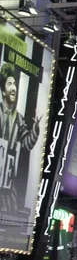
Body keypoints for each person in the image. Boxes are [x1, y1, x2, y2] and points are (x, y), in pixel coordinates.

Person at [0, 62, 41, 213]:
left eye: (15, 84)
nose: (14, 88)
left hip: (8, 182)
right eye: (9, 83)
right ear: (3, 91)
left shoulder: (18, 118)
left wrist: (35, 130)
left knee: (11, 214)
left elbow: (27, 144)